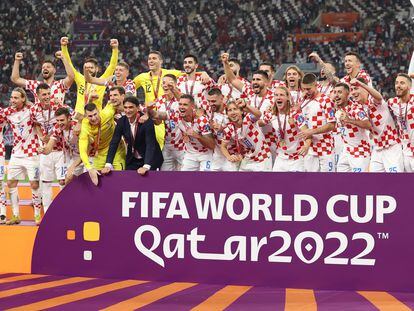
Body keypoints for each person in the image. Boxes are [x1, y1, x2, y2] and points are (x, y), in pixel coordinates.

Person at [222, 53, 276, 162]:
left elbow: (264, 121)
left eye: (258, 80)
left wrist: (244, 123)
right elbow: (232, 80)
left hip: (270, 142)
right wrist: (225, 63)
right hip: (250, 143)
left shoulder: (274, 98)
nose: (255, 82)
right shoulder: (250, 92)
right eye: (254, 80)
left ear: (266, 82)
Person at [0, 88, 41, 225]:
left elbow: (41, 113)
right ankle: (16, 215)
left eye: (16, 98)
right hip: (16, 154)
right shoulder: (7, 112)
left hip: (32, 153)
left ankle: (37, 216)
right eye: (11, 97)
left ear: (23, 98)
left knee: (34, 184)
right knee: (11, 183)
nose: (12, 100)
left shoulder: (31, 110)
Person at [149, 94, 215, 171]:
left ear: (192, 107)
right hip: (190, 154)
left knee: (206, 179)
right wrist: (149, 110)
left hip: (205, 154)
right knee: (184, 179)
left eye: (185, 105)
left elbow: (211, 145)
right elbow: (158, 115)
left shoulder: (202, 120)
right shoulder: (177, 116)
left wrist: (197, 136)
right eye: (180, 104)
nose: (181, 107)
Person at [350, 78, 403, 172]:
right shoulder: (357, 107)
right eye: (352, 89)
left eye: (356, 88)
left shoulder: (373, 101)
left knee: (396, 183)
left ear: (364, 88)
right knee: (374, 183)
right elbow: (366, 124)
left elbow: (379, 97)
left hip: (392, 147)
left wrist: (361, 84)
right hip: (377, 148)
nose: (353, 92)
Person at [102, 96, 163, 175]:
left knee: (149, 185)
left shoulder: (146, 120)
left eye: (131, 107)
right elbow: (114, 142)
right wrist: (108, 164)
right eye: (125, 107)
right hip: (133, 159)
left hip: (151, 159)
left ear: (137, 108)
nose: (128, 110)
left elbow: (150, 144)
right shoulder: (121, 121)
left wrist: (146, 166)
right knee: (130, 183)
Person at [61, 36, 119, 118]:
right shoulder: (80, 79)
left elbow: (112, 66)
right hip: (79, 118)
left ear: (97, 69)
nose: (88, 70)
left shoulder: (101, 81)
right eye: (86, 68)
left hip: (96, 117)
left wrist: (115, 49)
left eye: (91, 68)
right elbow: (69, 64)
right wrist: (64, 47)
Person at [32, 83, 68, 214]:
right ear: (38, 95)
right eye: (44, 94)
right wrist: (41, 136)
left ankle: (64, 210)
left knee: (63, 181)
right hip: (45, 151)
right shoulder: (34, 110)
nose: (47, 97)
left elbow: (67, 121)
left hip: (60, 150)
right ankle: (47, 212)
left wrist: (52, 136)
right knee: (46, 181)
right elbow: (35, 124)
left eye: (49, 94)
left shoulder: (58, 105)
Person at [260, 87, 311, 172]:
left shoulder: (295, 115)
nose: (278, 97)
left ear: (288, 98)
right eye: (276, 95)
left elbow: (307, 133)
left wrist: (306, 145)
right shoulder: (271, 115)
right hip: (281, 157)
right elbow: (258, 123)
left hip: (297, 158)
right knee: (277, 184)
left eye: (281, 95)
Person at [78, 95, 126, 186]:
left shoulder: (108, 112)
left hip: (116, 150)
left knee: (119, 178)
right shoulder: (85, 126)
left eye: (95, 114)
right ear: (86, 116)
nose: (93, 118)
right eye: (90, 116)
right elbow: (82, 150)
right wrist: (89, 168)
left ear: (99, 111)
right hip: (100, 153)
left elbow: (121, 104)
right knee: (98, 182)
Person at [298, 73, 336, 172]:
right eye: (304, 89)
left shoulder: (325, 100)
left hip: (325, 147)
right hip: (309, 148)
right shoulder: (302, 101)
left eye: (309, 89)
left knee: (327, 182)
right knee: (310, 181)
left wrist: (311, 132)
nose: (306, 92)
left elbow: (332, 125)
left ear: (316, 85)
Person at [221, 100, 272, 171]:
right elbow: (223, 146)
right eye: (229, 110)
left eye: (235, 109)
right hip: (248, 160)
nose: (233, 112)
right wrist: (229, 157)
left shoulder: (248, 119)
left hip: (263, 158)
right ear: (227, 114)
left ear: (241, 111)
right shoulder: (229, 129)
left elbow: (258, 114)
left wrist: (246, 105)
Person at [332, 83, 372, 172]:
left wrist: (349, 120)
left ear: (348, 94)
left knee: (360, 184)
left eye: (339, 92)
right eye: (335, 92)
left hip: (360, 151)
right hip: (346, 151)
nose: (336, 95)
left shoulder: (355, 108)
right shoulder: (339, 108)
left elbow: (368, 124)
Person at [154, 74, 184, 171]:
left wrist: (174, 89)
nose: (165, 85)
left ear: (175, 84)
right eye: (163, 83)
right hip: (167, 145)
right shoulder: (159, 101)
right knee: (165, 176)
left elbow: (185, 102)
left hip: (182, 145)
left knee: (186, 176)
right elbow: (158, 122)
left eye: (169, 82)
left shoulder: (180, 98)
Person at [387, 73, 414, 171]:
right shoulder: (392, 103)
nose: (398, 86)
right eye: (396, 83)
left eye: (402, 83)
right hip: (404, 151)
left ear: (410, 86)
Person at [207, 88, 238, 171]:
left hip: (231, 153)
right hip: (217, 154)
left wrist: (223, 129)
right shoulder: (209, 111)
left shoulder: (231, 111)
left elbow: (240, 131)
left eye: (213, 101)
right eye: (209, 101)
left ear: (222, 98)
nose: (210, 104)